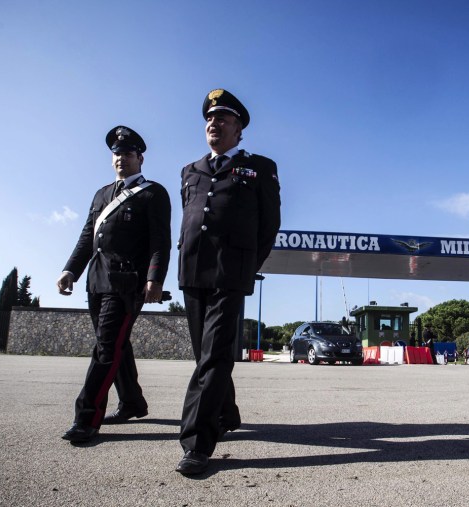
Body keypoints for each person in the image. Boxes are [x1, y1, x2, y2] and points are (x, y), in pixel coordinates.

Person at [175, 89, 281, 475]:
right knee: (205, 356)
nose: (213, 124)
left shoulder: (260, 167)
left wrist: (249, 265)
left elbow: (269, 225)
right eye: (209, 119)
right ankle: (227, 413)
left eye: (222, 119)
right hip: (192, 271)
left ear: (239, 129)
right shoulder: (191, 169)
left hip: (230, 271)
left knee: (215, 354)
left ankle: (197, 443)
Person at [57, 126, 172, 443]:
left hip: (126, 284)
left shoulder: (153, 193)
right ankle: (132, 402)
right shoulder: (101, 194)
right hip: (96, 282)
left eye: (127, 153)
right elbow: (86, 237)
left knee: (106, 348)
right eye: (116, 154)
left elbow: (160, 242)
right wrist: (70, 270)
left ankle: (86, 418)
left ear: (140, 158)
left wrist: (154, 279)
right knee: (116, 345)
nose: (121, 158)